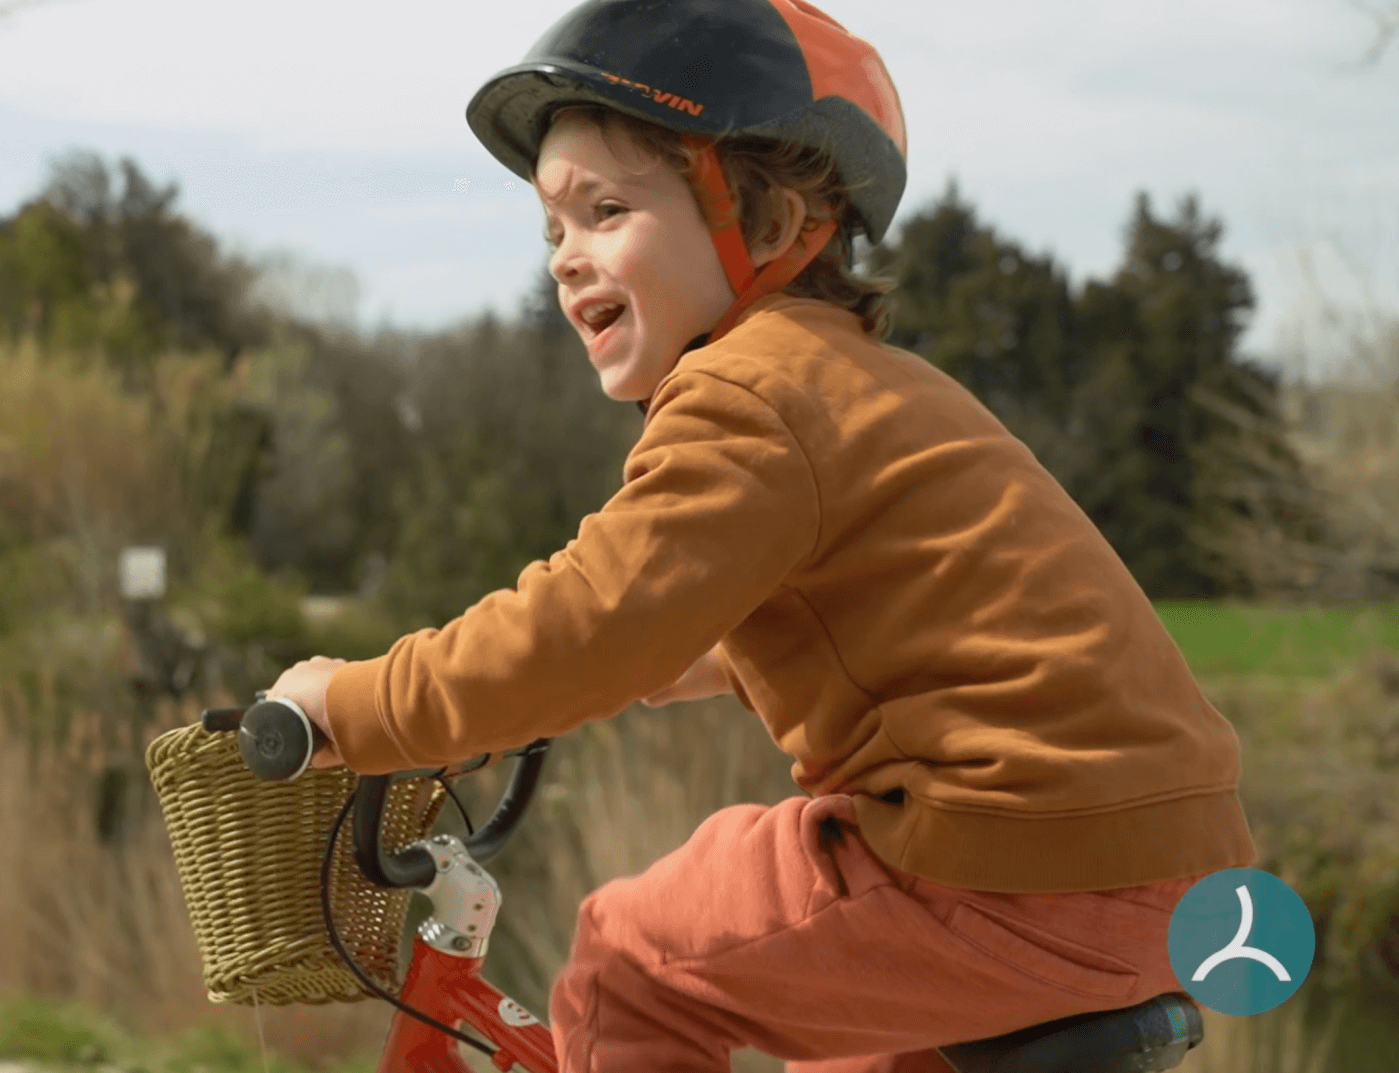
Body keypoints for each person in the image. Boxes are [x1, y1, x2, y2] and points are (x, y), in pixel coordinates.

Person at [264, 1, 1256, 1070]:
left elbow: (583, 624)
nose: (565, 256)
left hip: (1000, 862)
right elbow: (924, 611)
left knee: (627, 960)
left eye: (605, 209)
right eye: (552, 227)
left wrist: (352, 706)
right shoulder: (860, 384)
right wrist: (719, 654)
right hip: (1163, 869)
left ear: (773, 225)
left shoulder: (745, 392)